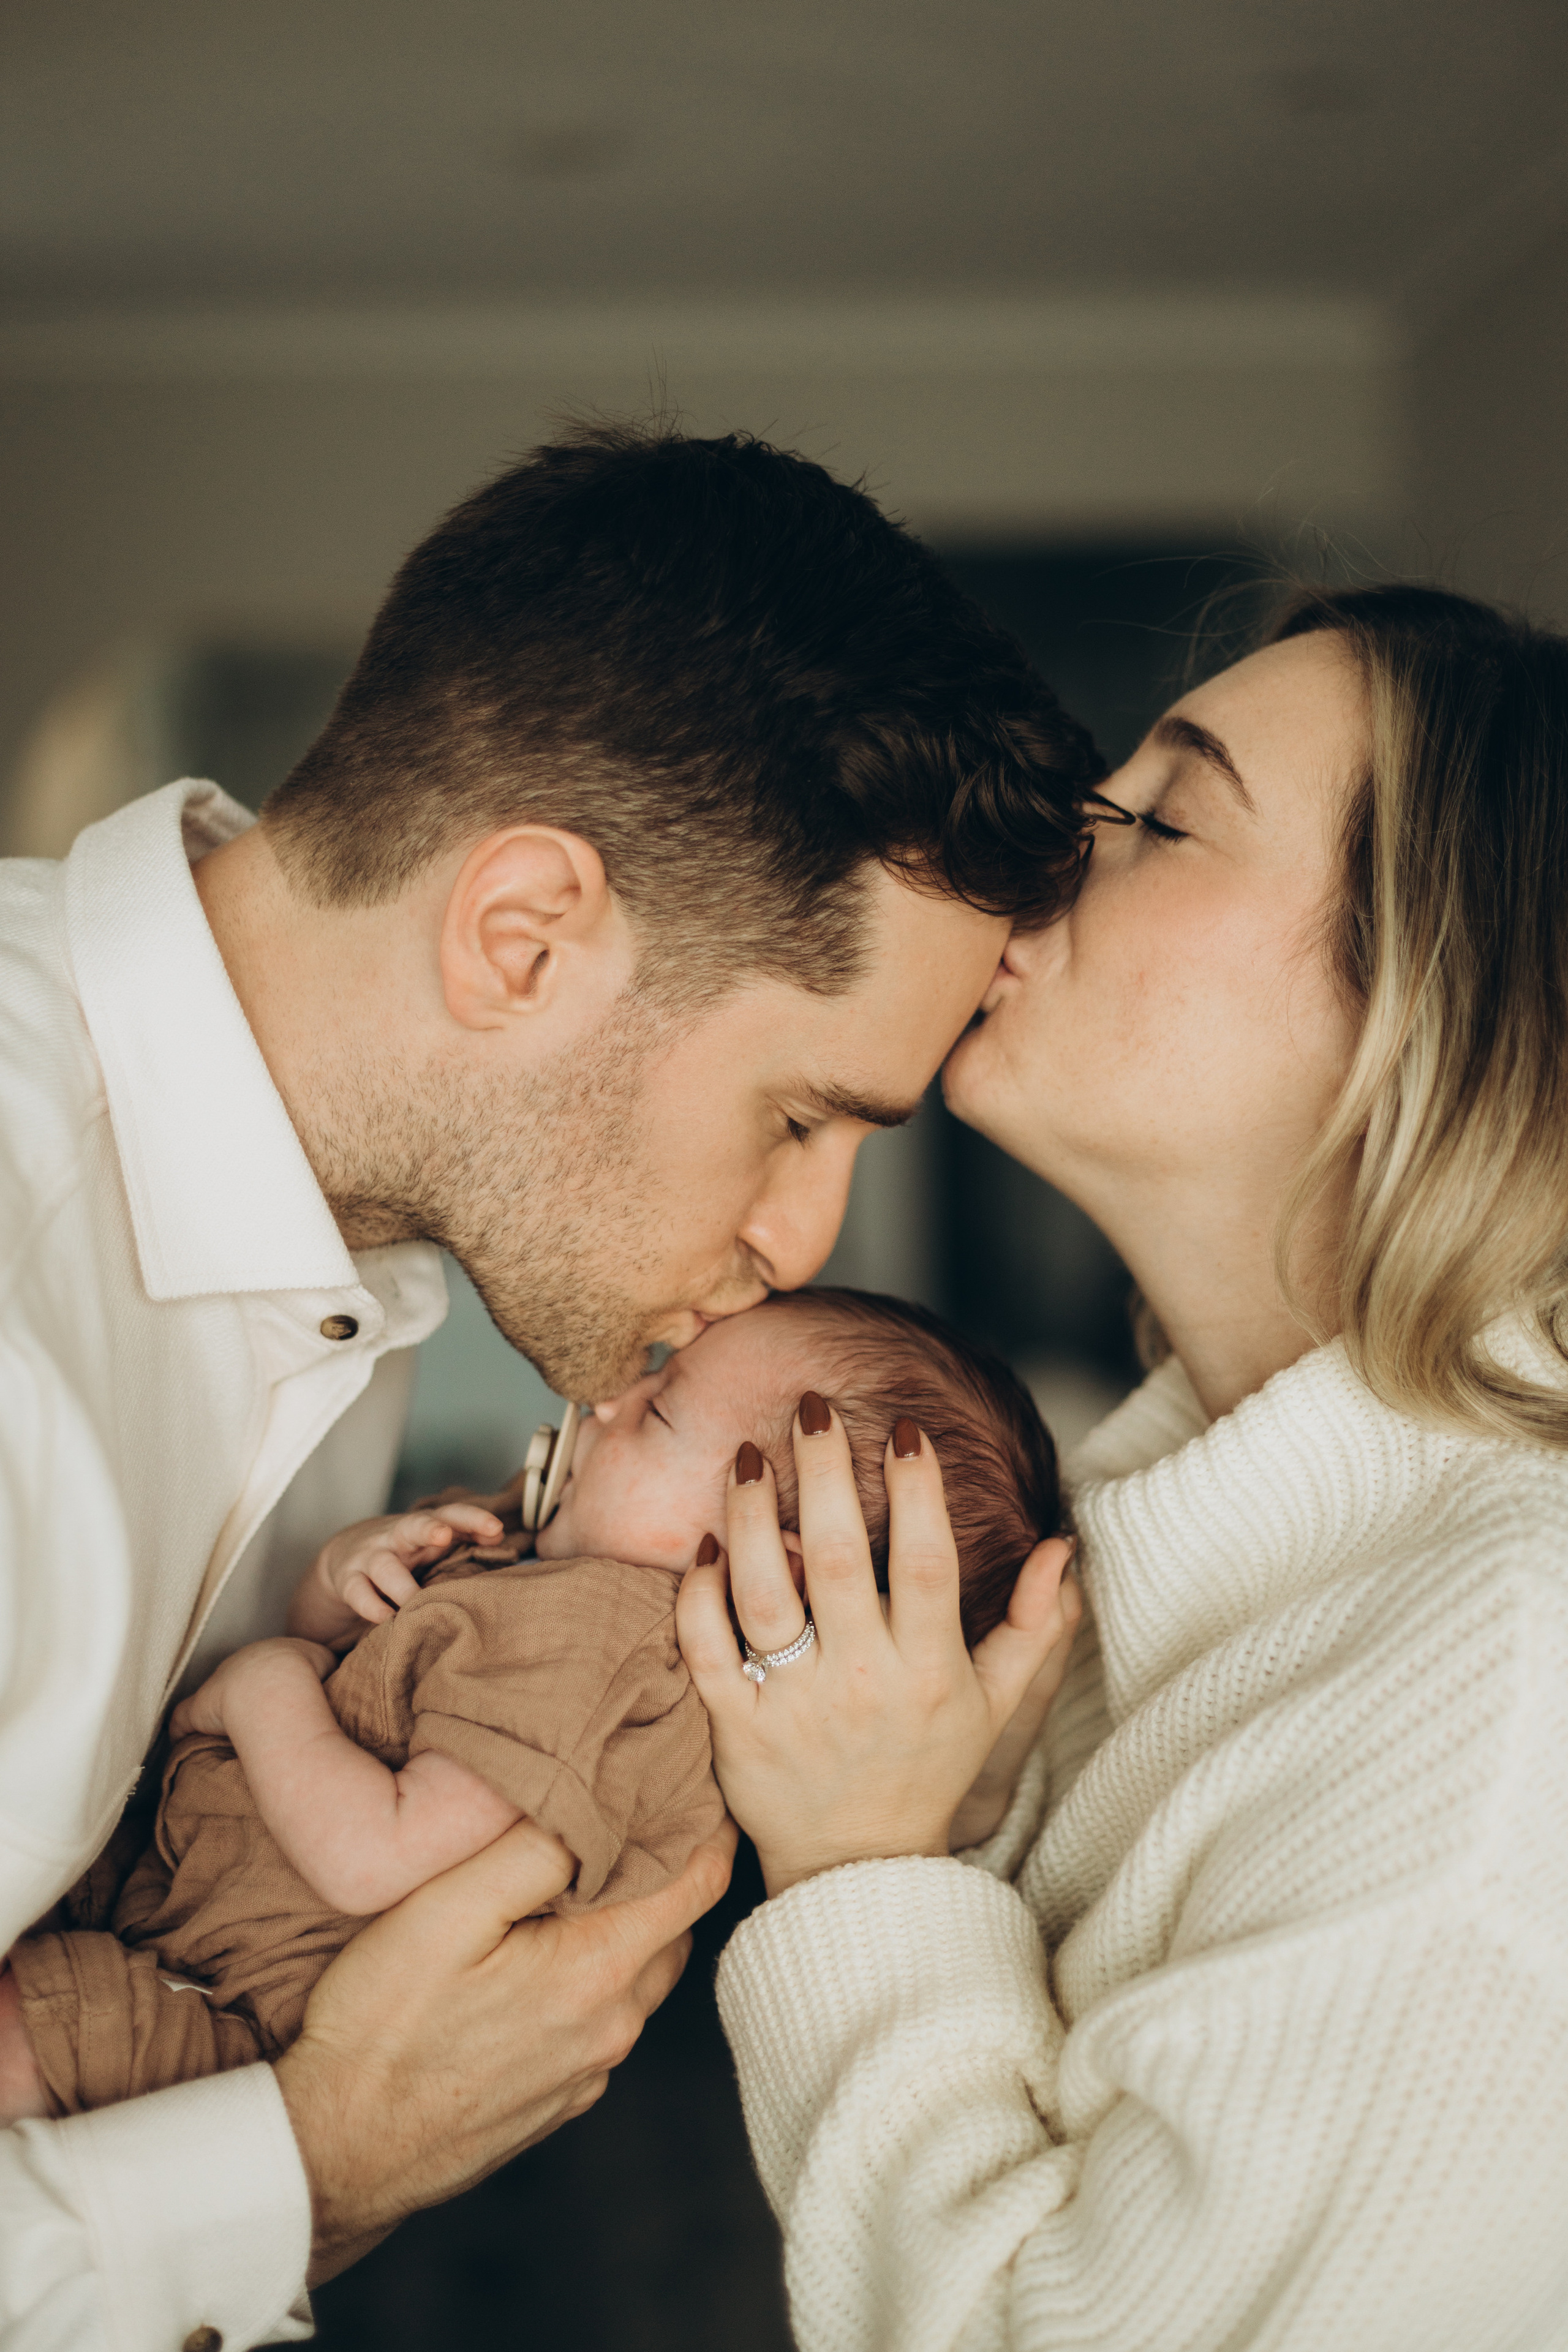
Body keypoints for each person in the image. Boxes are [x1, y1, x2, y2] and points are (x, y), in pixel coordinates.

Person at [0, 421, 1102, 2349]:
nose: (801, 1236)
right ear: (524, 939)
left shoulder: (364, 1274)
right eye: (798, 1114)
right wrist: (314, 2164)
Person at [681, 584, 1568, 2350]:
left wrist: (863, 1875)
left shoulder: (1501, 1727)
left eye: (1161, 819)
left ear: (1433, 1008)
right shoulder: (1159, 1559)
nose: (1038, 845)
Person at [1, 1287, 1068, 2122]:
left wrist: (263, 1681)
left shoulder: (605, 1650)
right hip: (178, 1906)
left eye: (662, 1410)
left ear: (766, 1570)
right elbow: (368, 1693)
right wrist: (345, 1575)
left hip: (220, 2009)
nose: (608, 1403)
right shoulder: (558, 1567)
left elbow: (374, 1852)